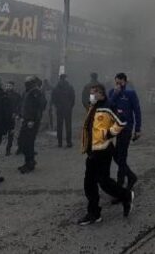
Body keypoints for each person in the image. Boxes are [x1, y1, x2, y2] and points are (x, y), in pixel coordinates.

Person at [78, 84, 134, 225]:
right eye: (90, 93)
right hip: (92, 151)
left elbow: (122, 121)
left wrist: (108, 133)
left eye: (93, 93)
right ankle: (94, 214)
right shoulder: (93, 106)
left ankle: (126, 195)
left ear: (101, 93)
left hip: (103, 150)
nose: (91, 95)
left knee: (104, 182)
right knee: (89, 183)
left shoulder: (108, 106)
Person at [108, 72, 141, 193]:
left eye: (120, 83)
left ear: (125, 82)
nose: (118, 85)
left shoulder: (130, 93)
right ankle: (131, 176)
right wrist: (115, 94)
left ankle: (120, 185)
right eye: (116, 82)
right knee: (116, 157)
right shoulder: (112, 92)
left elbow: (137, 111)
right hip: (115, 128)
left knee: (121, 157)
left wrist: (137, 129)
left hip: (126, 128)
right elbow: (109, 106)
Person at [18, 76, 44, 173]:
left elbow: (37, 107)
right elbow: (25, 106)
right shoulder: (29, 91)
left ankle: (29, 163)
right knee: (23, 141)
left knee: (28, 142)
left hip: (31, 121)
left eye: (28, 81)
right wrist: (21, 115)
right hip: (27, 120)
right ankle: (29, 161)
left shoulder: (35, 92)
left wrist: (32, 120)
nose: (26, 83)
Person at [51, 74, 76, 148]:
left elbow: (53, 99)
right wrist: (70, 106)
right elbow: (73, 98)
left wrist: (57, 106)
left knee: (59, 126)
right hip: (68, 109)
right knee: (68, 126)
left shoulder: (56, 88)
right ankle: (69, 142)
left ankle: (60, 143)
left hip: (59, 109)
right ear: (66, 78)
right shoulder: (70, 87)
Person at [3, 81, 22, 156]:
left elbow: (19, 106)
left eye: (10, 86)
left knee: (11, 134)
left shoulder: (17, 96)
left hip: (12, 117)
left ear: (13, 87)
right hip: (3, 117)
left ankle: (8, 150)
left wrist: (17, 113)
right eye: (7, 86)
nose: (8, 87)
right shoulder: (3, 95)